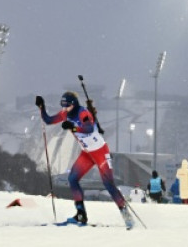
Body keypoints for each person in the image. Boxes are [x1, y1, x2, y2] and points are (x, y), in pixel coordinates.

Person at [36, 91, 134, 229]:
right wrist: (41, 107)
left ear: (74, 104)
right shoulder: (65, 113)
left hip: (100, 152)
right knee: (72, 179)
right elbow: (48, 120)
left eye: (67, 106)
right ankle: (81, 214)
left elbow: (88, 128)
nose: (64, 109)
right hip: (87, 154)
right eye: (63, 106)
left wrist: (73, 127)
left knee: (108, 184)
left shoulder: (83, 113)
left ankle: (127, 216)